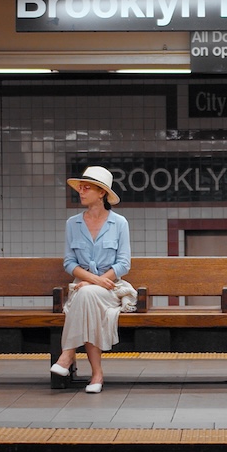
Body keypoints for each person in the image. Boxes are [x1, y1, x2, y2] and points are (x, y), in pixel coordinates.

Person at [50, 165, 132, 394]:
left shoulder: (120, 223)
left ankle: (68, 354)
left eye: (86, 188)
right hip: (86, 287)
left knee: (86, 297)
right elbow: (69, 263)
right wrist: (91, 281)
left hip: (111, 288)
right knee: (87, 299)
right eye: (80, 187)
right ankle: (96, 373)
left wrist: (95, 282)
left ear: (102, 192)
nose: (81, 191)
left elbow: (124, 263)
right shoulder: (72, 223)